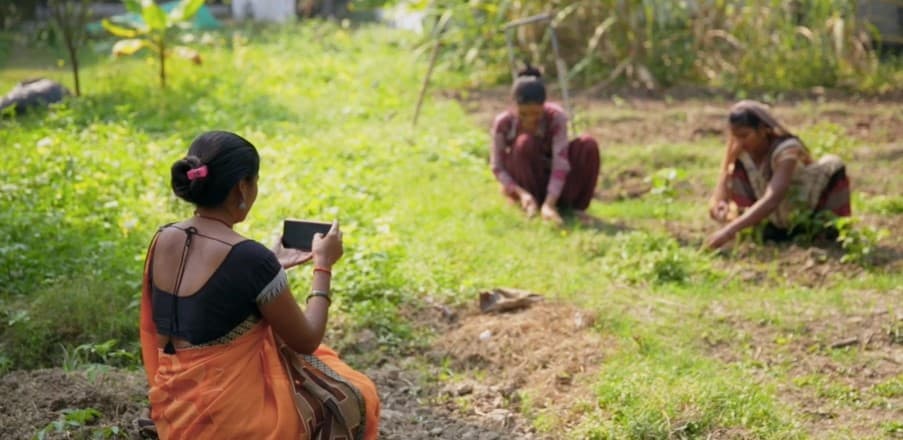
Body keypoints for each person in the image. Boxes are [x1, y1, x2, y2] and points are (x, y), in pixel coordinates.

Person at [139, 131, 379, 439]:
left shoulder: (163, 237)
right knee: (357, 392)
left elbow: (210, 302)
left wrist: (272, 265)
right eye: (255, 181)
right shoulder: (251, 260)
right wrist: (323, 266)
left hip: (174, 412)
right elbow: (306, 340)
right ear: (242, 186)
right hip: (233, 421)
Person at [705, 100, 851, 249]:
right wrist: (721, 202)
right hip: (774, 220)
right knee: (739, 165)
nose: (740, 142)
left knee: (835, 164)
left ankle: (826, 234)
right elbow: (725, 174)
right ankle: (761, 230)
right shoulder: (742, 151)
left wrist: (728, 231)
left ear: (763, 130)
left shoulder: (786, 151)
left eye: (744, 136)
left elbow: (773, 197)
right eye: (736, 137)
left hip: (803, 210)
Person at [490, 65, 600, 224]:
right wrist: (521, 193)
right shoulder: (504, 123)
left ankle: (570, 207)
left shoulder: (556, 118)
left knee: (588, 145)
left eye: (536, 114)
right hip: (525, 178)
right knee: (524, 143)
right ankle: (530, 202)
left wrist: (550, 203)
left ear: (544, 106)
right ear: (514, 107)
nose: (529, 120)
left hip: (552, 178)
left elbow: (560, 163)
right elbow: (497, 166)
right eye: (524, 114)